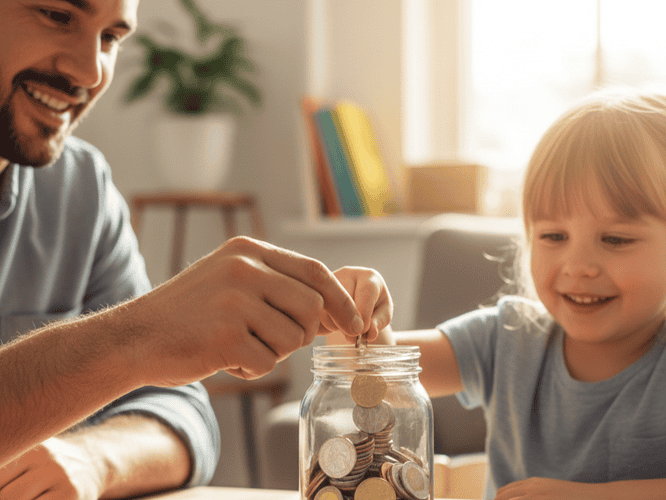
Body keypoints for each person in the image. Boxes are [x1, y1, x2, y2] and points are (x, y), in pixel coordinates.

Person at [0, 0, 392, 498]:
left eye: (111, 38)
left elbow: (180, 410)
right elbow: (142, 352)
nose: (90, 71)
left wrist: (96, 458)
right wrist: (139, 337)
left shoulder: (81, 190)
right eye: (57, 16)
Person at [364, 88, 666, 499]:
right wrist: (357, 311)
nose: (578, 266)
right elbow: (369, 372)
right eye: (553, 236)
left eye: (615, 239)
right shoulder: (506, 338)